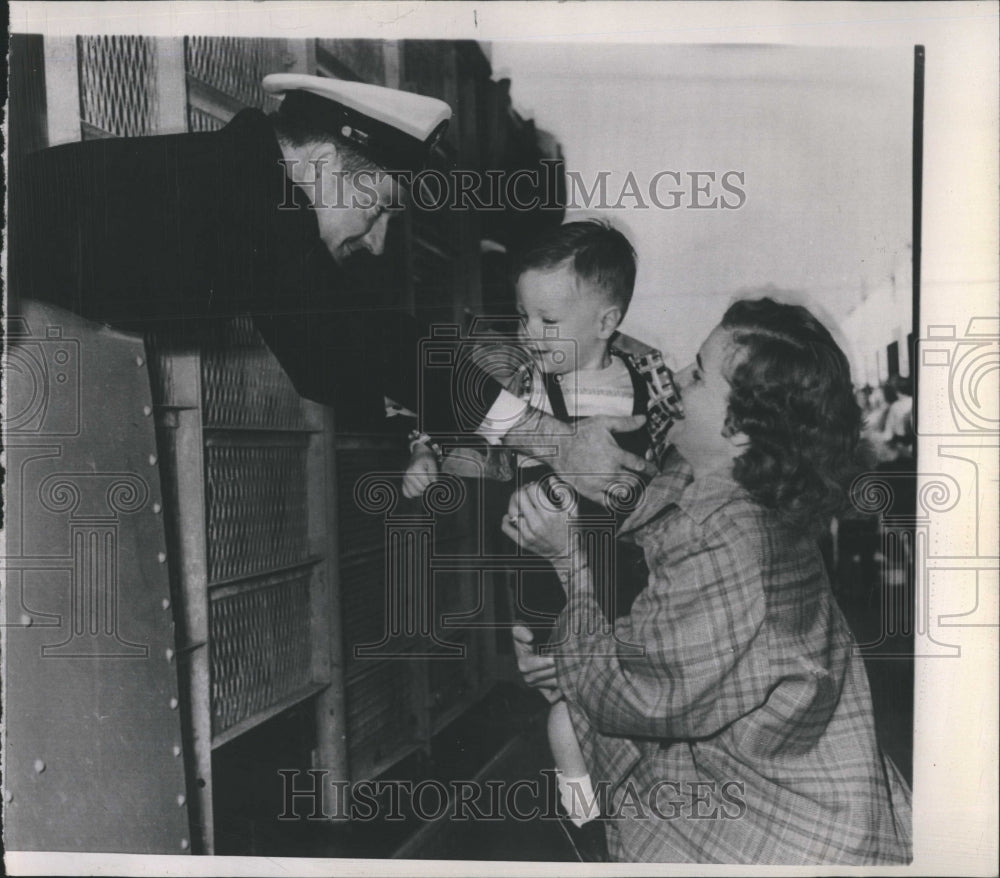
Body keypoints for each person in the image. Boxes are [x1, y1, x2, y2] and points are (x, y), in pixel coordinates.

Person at [8, 73, 653, 501]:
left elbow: (338, 356)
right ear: (319, 165)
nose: (374, 241)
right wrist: (556, 440)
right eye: (375, 207)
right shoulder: (253, 194)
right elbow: (353, 343)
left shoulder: (234, 184)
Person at [504, 297, 912, 864]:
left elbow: (635, 696)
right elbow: (670, 634)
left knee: (569, 725)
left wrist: (565, 561)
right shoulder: (758, 498)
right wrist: (572, 656)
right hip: (832, 789)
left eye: (696, 374)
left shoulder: (719, 533)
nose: (674, 381)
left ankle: (595, 851)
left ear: (741, 428)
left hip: (776, 825)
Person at [402, 220, 676, 838]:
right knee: (566, 709)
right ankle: (589, 827)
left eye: (547, 320)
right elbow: (472, 430)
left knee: (629, 699)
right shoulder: (525, 380)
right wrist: (430, 457)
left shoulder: (650, 376)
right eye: (524, 316)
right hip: (545, 575)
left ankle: (635, 821)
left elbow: (676, 467)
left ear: (606, 323)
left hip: (629, 572)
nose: (530, 333)